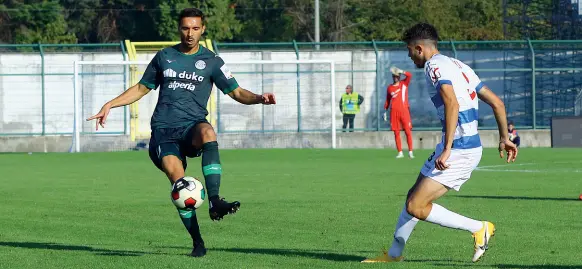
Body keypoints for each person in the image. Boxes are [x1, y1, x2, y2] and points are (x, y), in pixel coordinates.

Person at [86, 8, 276, 257]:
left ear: (203, 29)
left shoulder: (212, 62)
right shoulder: (165, 57)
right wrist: (110, 103)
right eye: (186, 28)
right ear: (179, 29)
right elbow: (142, 88)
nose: (190, 33)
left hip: (191, 127)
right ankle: (198, 243)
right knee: (181, 185)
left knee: (207, 131)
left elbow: (237, 92)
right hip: (164, 133)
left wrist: (260, 98)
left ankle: (215, 201)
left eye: (195, 28)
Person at [362, 23, 518, 263]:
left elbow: (451, 103)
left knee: (416, 205)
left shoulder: (433, 67)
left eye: (409, 51)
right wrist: (504, 138)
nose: (408, 56)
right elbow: (497, 102)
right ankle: (393, 256)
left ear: (418, 48)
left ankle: (479, 228)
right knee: (413, 197)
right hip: (460, 145)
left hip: (458, 149)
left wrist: (446, 150)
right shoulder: (459, 65)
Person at [384, 66, 414, 159]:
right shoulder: (390, 88)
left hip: (404, 111)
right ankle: (400, 152)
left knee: (408, 131)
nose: (396, 78)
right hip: (394, 112)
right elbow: (388, 100)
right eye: (394, 76)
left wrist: (401, 71)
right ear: (393, 77)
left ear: (399, 77)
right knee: (396, 132)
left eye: (397, 76)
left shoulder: (404, 84)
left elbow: (409, 75)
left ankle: (410, 151)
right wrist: (385, 110)